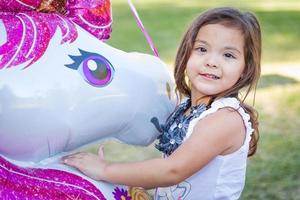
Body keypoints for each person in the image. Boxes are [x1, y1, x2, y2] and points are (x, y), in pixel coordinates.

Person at [62, 7, 261, 200]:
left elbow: (172, 170)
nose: (211, 61)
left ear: (245, 68)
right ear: (187, 53)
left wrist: (106, 170)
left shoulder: (224, 119)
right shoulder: (188, 107)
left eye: (228, 55)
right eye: (201, 49)